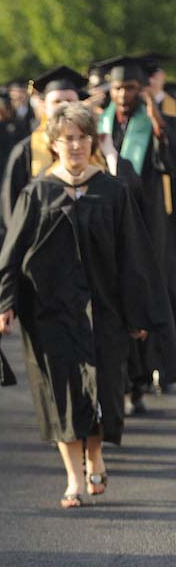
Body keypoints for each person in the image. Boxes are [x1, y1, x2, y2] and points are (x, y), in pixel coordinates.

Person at [0, 102, 174, 508]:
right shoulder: (37, 191)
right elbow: (12, 252)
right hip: (50, 312)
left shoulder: (112, 191)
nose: (75, 145)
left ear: (93, 141)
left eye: (82, 137)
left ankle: (96, 456)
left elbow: (134, 256)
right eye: (67, 138)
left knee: (104, 388)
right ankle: (74, 478)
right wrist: (5, 305)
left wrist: (139, 311)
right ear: (54, 143)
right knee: (62, 393)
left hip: (104, 311)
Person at [97, 54, 176, 406]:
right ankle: (126, 379)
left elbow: (168, 159)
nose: (123, 94)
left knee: (143, 295)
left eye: (129, 87)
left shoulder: (158, 123)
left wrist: (154, 112)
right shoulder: (100, 126)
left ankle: (145, 375)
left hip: (148, 224)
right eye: (117, 87)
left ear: (141, 89)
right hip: (109, 225)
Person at [0, 65, 87, 267]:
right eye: (57, 101)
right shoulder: (24, 152)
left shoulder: (95, 150)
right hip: (38, 259)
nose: (64, 107)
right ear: (44, 106)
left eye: (70, 100)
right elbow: (10, 213)